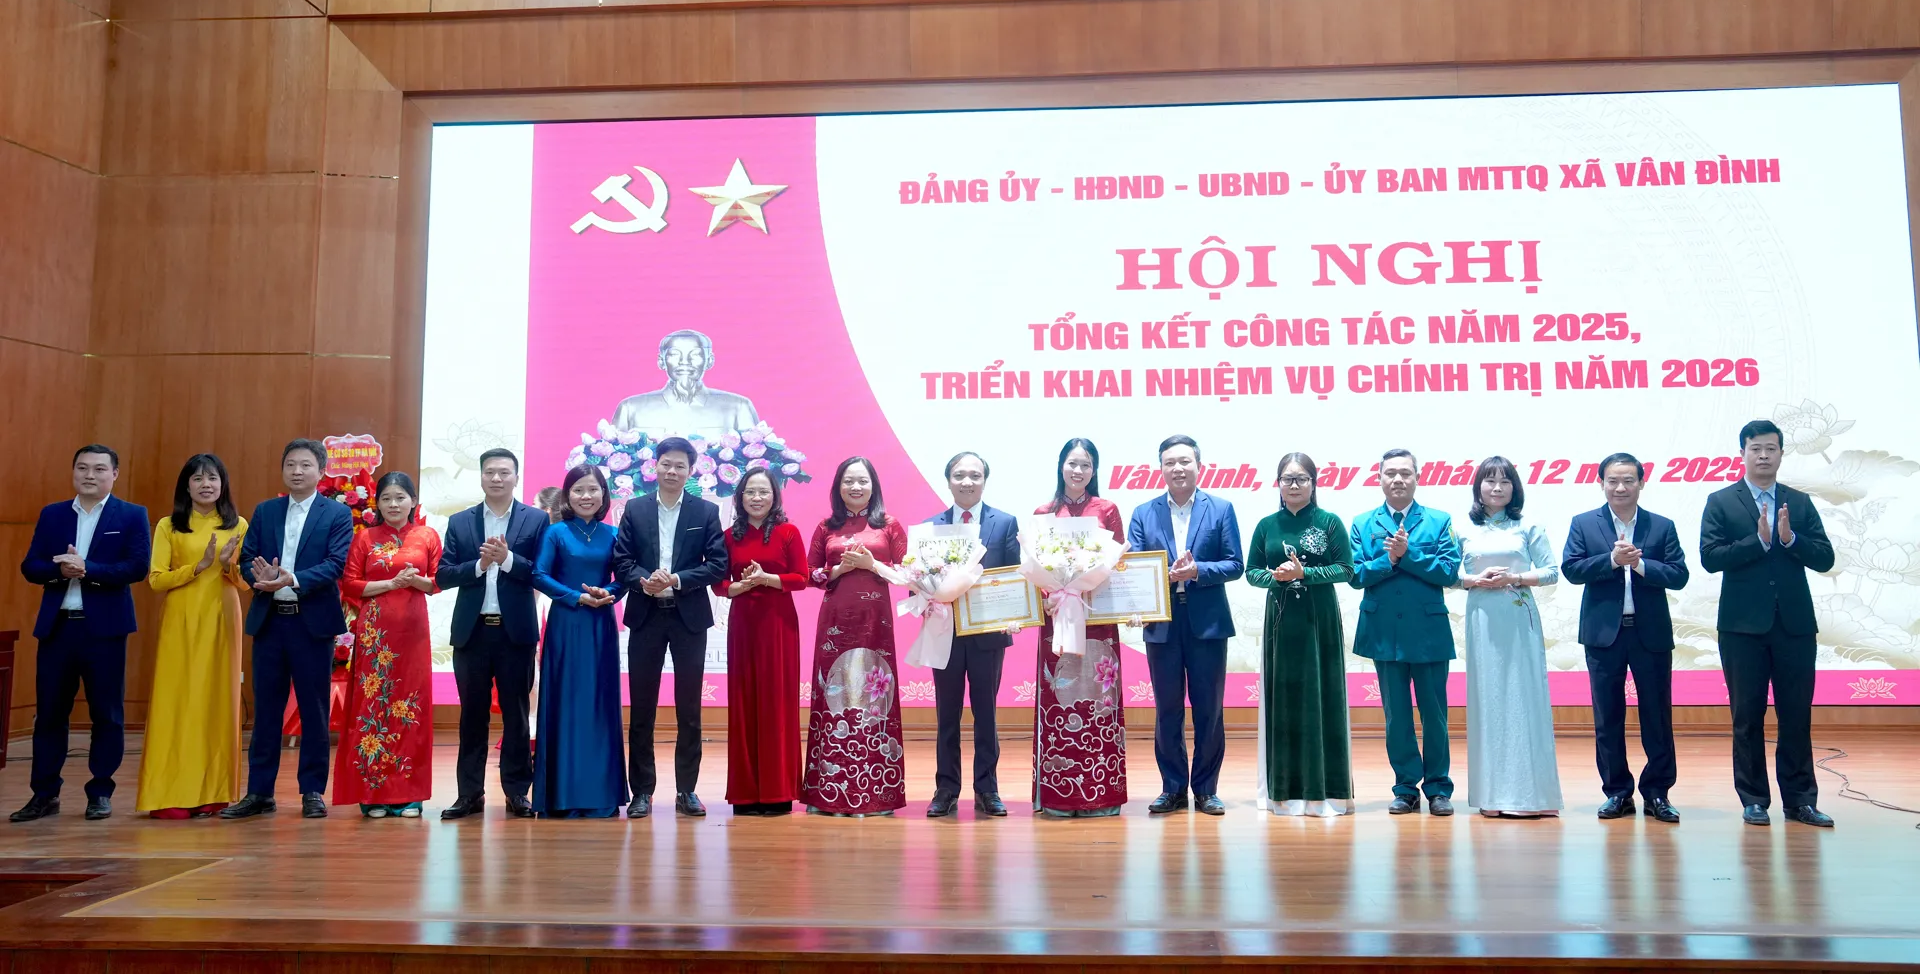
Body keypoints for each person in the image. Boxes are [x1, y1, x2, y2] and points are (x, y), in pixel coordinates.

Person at [1701, 419, 1836, 828]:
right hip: (1741, 628)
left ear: (1781, 453)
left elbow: (1825, 557)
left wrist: (1790, 539)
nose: (1763, 455)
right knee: (1747, 715)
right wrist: (1757, 541)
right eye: (1756, 448)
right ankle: (1754, 799)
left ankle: (1800, 801)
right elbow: (1710, 558)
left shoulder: (1799, 502)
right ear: (1742, 453)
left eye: (1771, 449)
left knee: (1796, 714)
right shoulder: (1721, 502)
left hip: (1794, 626)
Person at [13, 445, 151, 823]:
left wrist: (88, 568)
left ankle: (100, 792)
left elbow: (137, 567)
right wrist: (60, 571)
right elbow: (31, 566)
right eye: (82, 468)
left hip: (104, 631)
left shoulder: (132, 515)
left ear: (114, 474)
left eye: (99, 469)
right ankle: (44, 795)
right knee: (50, 714)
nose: (90, 475)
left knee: (107, 714)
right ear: (74, 471)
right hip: (58, 628)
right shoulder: (53, 514)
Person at [223, 439, 355, 821]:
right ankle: (259, 792)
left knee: (314, 710)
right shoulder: (266, 511)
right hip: (270, 622)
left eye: (306, 465)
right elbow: (247, 559)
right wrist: (260, 576)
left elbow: (335, 564)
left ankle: (312, 790)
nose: (297, 471)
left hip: (311, 624)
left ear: (321, 471)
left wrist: (291, 578)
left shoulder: (336, 514)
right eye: (291, 464)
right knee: (266, 710)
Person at [1561, 452, 1689, 824]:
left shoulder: (1661, 526)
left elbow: (1679, 575)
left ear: (1641, 483)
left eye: (1628, 480)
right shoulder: (1584, 523)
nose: (1620, 487)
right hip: (1604, 636)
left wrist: (1640, 564)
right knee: (1608, 717)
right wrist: (1613, 561)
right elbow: (1572, 569)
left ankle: (1658, 793)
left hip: (1650, 634)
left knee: (1657, 716)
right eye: (1613, 481)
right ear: (1601, 483)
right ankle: (1617, 793)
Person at [611, 435, 729, 819]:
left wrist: (676, 579)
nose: (672, 471)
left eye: (680, 465)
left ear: (690, 471)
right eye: (666, 464)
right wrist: (643, 580)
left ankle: (686, 790)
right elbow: (622, 560)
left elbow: (717, 564)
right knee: (642, 707)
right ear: (655, 467)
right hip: (645, 616)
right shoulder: (635, 508)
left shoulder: (705, 512)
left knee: (689, 708)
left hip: (687, 617)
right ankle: (642, 791)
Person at [1127, 435, 1244, 816]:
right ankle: (1173, 788)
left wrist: (1197, 571)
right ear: (1160, 469)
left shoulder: (1221, 508)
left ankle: (1206, 790)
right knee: (1167, 710)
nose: (1177, 468)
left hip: (1207, 623)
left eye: (1184, 462)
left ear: (1199, 466)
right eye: (1170, 463)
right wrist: (1157, 576)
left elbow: (1235, 564)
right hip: (1163, 623)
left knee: (1209, 710)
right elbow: (1135, 567)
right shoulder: (1144, 513)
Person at [435, 447, 549, 821]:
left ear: (516, 476)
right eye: (490, 472)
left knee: (517, 714)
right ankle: (469, 794)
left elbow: (541, 573)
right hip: (472, 633)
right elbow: (443, 575)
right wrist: (480, 564)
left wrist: (508, 560)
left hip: (515, 633)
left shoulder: (536, 520)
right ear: (481, 476)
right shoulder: (460, 522)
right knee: (472, 715)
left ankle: (517, 792)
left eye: (504, 472)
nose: (496, 478)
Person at [1349, 448, 1461, 817]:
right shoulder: (1363, 523)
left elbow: (1448, 572)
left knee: (1435, 716)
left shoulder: (1439, 520)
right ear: (1379, 478)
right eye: (1391, 473)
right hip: (1384, 633)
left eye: (1405, 473)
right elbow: (1356, 575)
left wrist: (1408, 554)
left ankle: (1439, 789)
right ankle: (1405, 788)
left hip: (1428, 632)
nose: (1398, 479)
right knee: (1396, 717)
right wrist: (1390, 559)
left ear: (1417, 477)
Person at [1245, 453, 1355, 817]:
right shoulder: (1266, 525)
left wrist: (1304, 574)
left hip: (1318, 620)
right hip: (1280, 621)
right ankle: (1283, 792)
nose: (1294, 485)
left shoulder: (1329, 522)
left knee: (1323, 695)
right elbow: (1251, 571)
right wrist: (1275, 577)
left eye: (1301, 479)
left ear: (1313, 483)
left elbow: (1346, 569)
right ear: (1278, 484)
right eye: (1287, 479)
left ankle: (1328, 792)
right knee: (1283, 698)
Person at [139, 454, 247, 819]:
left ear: (222, 484)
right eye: (198, 478)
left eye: (212, 477)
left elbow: (245, 583)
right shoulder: (169, 525)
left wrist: (229, 564)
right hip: (181, 618)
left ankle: (213, 792)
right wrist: (196, 567)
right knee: (177, 701)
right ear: (186, 485)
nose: (206, 484)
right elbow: (156, 579)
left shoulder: (239, 525)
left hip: (222, 617)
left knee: (217, 700)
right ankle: (169, 794)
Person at [802, 456, 909, 816]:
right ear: (838, 487)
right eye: (848, 481)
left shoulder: (888, 525)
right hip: (835, 622)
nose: (855, 487)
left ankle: (877, 793)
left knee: (874, 696)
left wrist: (871, 565)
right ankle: (828, 792)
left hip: (875, 622)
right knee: (835, 693)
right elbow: (808, 573)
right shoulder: (826, 526)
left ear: (873, 486)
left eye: (862, 481)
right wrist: (838, 569)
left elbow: (908, 573)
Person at [1457, 456, 1562, 819]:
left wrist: (1514, 578)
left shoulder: (1528, 526)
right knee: (1488, 700)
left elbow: (1551, 572)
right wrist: (1477, 580)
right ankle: (1492, 794)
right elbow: (1449, 575)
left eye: (1505, 481)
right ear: (1478, 487)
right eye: (1490, 481)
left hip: (1519, 616)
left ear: (1515, 488)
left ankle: (1533, 796)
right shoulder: (1463, 529)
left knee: (1524, 697)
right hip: (1482, 618)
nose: (1497, 488)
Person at [332, 473, 440, 818]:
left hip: (413, 632)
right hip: (375, 633)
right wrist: (391, 583)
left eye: (400, 497)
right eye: (387, 498)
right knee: (373, 706)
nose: (394, 504)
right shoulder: (365, 537)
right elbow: (350, 583)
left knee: (411, 707)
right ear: (377, 503)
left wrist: (415, 580)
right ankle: (373, 793)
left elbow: (438, 581)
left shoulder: (427, 536)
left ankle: (409, 795)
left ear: (413, 501)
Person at [1032, 438, 1129, 818]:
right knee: (1060, 695)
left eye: (1086, 465)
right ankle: (1058, 795)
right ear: (1061, 466)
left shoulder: (1107, 509)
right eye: (1072, 463)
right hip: (1056, 616)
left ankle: (1100, 794)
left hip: (1097, 617)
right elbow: (1034, 565)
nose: (1078, 471)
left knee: (1098, 699)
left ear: (1094, 470)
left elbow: (1119, 562)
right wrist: (1046, 593)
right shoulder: (1044, 512)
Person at [924, 451, 1020, 819]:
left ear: (984, 480)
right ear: (948, 481)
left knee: (986, 714)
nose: (967, 482)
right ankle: (946, 788)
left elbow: (1013, 575)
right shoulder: (930, 527)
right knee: (947, 715)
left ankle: (987, 789)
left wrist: (1014, 613)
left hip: (988, 634)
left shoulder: (1004, 523)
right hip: (945, 632)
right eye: (960, 475)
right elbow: (919, 578)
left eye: (975, 475)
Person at [529, 464, 629, 817]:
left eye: (593, 489)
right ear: (567, 496)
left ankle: (600, 795)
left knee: (599, 702)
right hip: (566, 623)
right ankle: (562, 796)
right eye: (578, 490)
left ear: (603, 494)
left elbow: (624, 577)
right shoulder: (556, 532)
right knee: (565, 701)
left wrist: (608, 592)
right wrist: (576, 597)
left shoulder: (614, 534)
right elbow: (539, 574)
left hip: (601, 623)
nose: (586, 496)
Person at [712, 468, 807, 816]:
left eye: (763, 492)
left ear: (774, 496)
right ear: (740, 497)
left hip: (778, 625)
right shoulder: (728, 536)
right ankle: (746, 793)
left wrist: (767, 579)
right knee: (743, 702)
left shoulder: (788, 532)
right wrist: (735, 587)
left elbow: (801, 578)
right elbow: (719, 583)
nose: (756, 498)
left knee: (776, 704)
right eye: (750, 492)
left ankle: (778, 792)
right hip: (743, 624)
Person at [612, 329, 760, 437]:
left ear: (709, 361)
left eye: (695, 355)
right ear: (661, 361)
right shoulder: (630, 408)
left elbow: (757, 467)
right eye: (674, 354)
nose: (684, 362)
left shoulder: (738, 407)